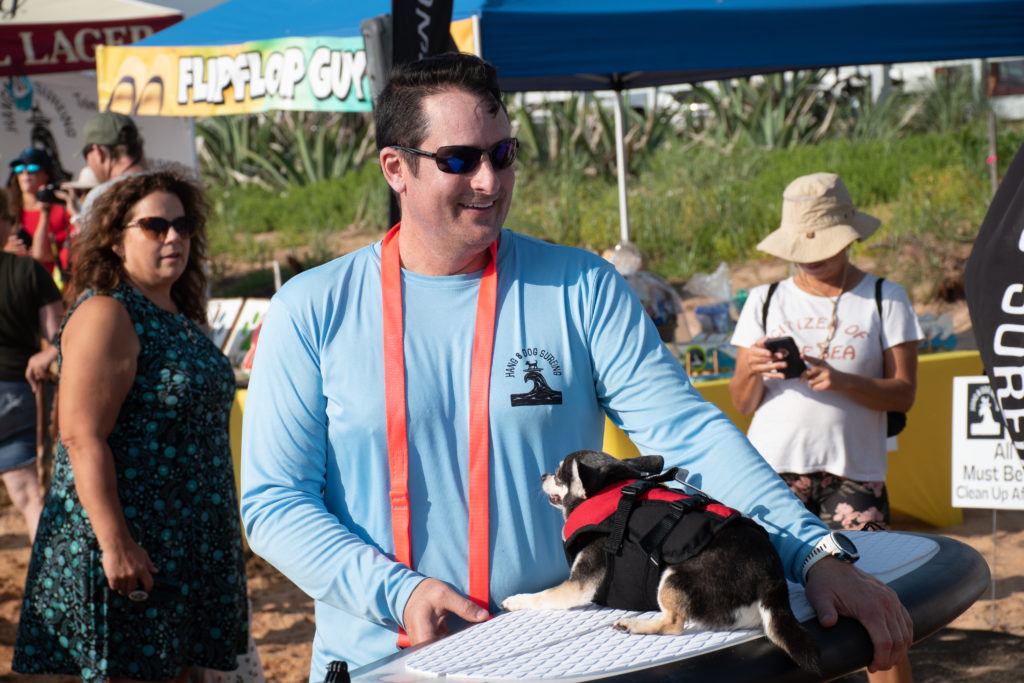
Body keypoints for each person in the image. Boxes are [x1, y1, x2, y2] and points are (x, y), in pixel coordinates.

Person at [241, 54, 912, 681]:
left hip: (556, 657)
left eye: (503, 155)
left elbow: (689, 435)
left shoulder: (579, 288)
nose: (489, 181)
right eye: (459, 159)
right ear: (396, 167)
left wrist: (814, 551)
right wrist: (400, 591)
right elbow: (274, 501)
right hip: (384, 662)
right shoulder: (312, 308)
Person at [13, 167, 251, 681]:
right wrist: (115, 543)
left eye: (184, 226)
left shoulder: (176, 318)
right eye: (155, 226)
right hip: (130, 549)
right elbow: (79, 436)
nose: (174, 237)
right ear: (116, 243)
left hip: (184, 547)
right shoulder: (108, 313)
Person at [728, 172, 924, 683]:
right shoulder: (764, 300)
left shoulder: (886, 296)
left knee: (877, 610)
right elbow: (742, 402)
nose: (812, 256)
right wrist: (749, 368)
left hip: (853, 476)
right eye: (803, 246)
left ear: (852, 236)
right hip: (770, 477)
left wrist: (839, 379)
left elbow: (904, 392)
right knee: (773, 611)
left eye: (825, 244)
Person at [0, 186, 62, 543]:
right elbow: (58, 337)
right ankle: (43, 587)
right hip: (17, 394)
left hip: (17, 391)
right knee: (28, 497)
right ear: (8, 223)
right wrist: (47, 354)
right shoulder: (29, 271)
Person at [4, 147, 72, 281]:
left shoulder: (63, 210)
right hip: (13, 282)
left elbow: (47, 254)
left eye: (32, 168)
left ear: (47, 174)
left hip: (48, 285)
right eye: (19, 169)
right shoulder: (6, 210)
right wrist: (5, 249)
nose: (25, 174)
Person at [76, 111, 149, 233]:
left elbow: (90, 250)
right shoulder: (171, 188)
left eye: (86, 154)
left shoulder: (100, 197)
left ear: (98, 152)